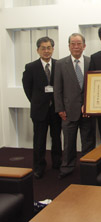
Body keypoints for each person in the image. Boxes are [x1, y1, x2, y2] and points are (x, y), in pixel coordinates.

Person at [54, 33, 96, 179]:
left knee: (88, 142)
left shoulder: (91, 62)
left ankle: (88, 167)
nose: (76, 46)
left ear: (84, 46)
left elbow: (95, 86)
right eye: (73, 43)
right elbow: (57, 88)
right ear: (69, 46)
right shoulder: (60, 64)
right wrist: (60, 109)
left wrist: (90, 106)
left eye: (79, 44)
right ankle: (67, 167)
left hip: (88, 111)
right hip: (68, 111)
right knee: (69, 142)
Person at [22, 36, 62, 179]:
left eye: (49, 48)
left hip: (56, 109)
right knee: (39, 140)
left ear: (53, 49)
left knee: (56, 138)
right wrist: (37, 102)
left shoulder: (59, 64)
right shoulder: (31, 67)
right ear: (38, 50)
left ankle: (57, 163)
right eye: (43, 48)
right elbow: (27, 88)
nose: (46, 51)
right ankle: (39, 167)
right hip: (39, 110)